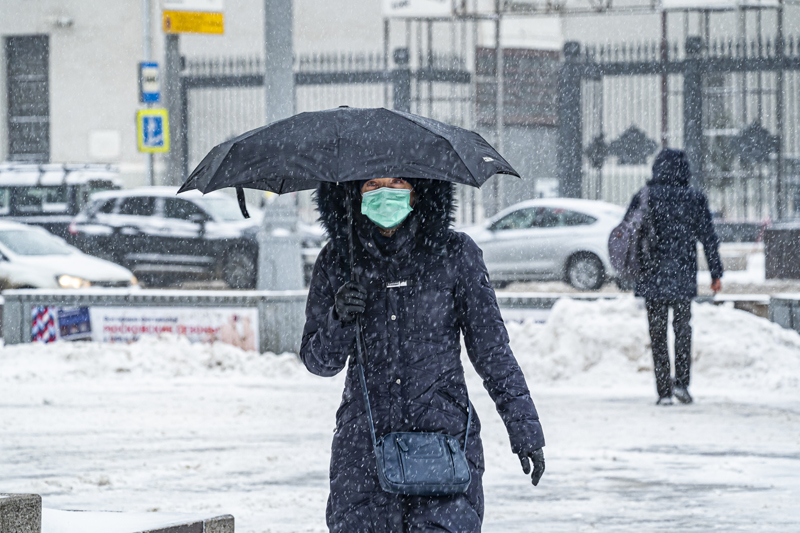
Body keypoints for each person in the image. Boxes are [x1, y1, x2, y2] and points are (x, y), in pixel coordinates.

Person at [301, 177, 545, 532]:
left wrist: (525, 429)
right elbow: (318, 361)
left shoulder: (455, 255)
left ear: (418, 190)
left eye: (397, 182)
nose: (386, 194)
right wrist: (338, 319)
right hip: (364, 456)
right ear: (354, 193)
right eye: (373, 184)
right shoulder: (338, 261)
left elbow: (492, 351)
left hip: (442, 446)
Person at [625, 149, 723, 406]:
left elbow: (628, 232)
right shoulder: (694, 198)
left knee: (657, 334)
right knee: (682, 331)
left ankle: (663, 391)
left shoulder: (645, 196)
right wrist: (715, 273)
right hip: (682, 275)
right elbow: (709, 237)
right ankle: (682, 384)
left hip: (651, 276)